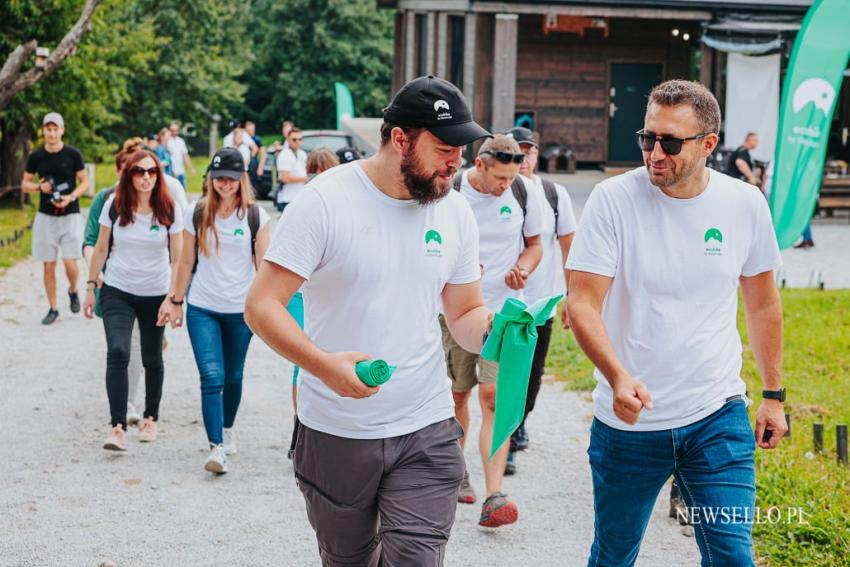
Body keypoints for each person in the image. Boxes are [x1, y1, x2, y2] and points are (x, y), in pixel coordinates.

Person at [245, 75, 492, 565]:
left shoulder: (456, 211)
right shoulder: (324, 201)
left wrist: (497, 330)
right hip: (335, 431)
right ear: (400, 139)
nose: (455, 162)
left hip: (425, 422)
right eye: (444, 148)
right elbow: (262, 305)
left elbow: (463, 312)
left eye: (461, 150)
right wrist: (322, 365)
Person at [567, 80, 786, 566]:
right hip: (629, 423)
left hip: (716, 412)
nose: (655, 153)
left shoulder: (745, 204)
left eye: (670, 142)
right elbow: (581, 303)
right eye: (647, 139)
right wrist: (618, 376)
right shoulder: (612, 200)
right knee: (614, 554)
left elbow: (764, 304)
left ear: (708, 144)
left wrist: (773, 396)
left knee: (732, 555)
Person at [441, 134, 544, 526]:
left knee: (493, 398)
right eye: (499, 178)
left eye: (511, 178)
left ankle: (494, 495)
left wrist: (525, 269)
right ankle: (456, 472)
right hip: (455, 311)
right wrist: (461, 273)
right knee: (457, 397)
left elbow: (534, 245)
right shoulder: (452, 192)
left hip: (503, 314)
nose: (505, 186)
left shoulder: (522, 191)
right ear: (479, 165)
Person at [166, 148, 270, 474]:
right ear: (210, 179)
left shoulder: (256, 217)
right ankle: (216, 447)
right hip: (203, 306)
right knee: (211, 376)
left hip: (240, 309)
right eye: (219, 178)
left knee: (234, 375)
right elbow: (185, 261)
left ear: (242, 179)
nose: (224, 184)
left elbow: (264, 267)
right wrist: (175, 299)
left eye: (230, 179)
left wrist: (268, 308)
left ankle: (227, 426)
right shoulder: (195, 213)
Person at [82, 149, 184, 451]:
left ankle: (151, 417)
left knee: (152, 356)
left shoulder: (169, 208)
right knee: (118, 350)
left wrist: (174, 298)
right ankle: (117, 426)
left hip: (155, 292)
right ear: (129, 175)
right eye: (139, 171)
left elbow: (178, 258)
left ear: (158, 175)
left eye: (151, 172)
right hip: (117, 289)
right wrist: (90, 286)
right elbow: (100, 248)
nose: (145, 177)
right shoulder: (114, 205)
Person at [503, 126, 577, 475]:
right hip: (504, 302)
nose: (523, 157)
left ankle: (519, 421)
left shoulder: (553, 193)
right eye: (516, 150)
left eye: (529, 151)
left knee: (533, 374)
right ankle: (510, 437)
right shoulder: (497, 191)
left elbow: (568, 246)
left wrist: (572, 296)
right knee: (505, 373)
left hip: (542, 300)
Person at [82, 137, 148, 426]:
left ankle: (130, 401)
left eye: (141, 170)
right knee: (123, 345)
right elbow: (90, 242)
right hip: (115, 285)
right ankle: (127, 403)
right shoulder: (106, 201)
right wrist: (95, 274)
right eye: (128, 170)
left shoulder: (157, 201)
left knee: (138, 345)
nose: (134, 176)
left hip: (149, 287)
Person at [21, 112, 90, 325]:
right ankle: (53, 308)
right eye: (48, 129)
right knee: (48, 265)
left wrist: (71, 197)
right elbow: (25, 184)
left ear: (62, 130)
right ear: (44, 131)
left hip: (70, 214)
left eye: (55, 129)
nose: (51, 133)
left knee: (70, 262)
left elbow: (85, 182)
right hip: (46, 216)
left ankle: (72, 289)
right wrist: (38, 187)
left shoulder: (73, 154)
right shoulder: (36, 156)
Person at [274, 127, 308, 212]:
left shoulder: (302, 154)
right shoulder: (284, 155)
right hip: (288, 199)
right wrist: (305, 179)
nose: (298, 142)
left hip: (300, 197)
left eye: (300, 139)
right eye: (294, 139)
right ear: (288, 140)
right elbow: (285, 178)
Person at [166, 121, 196, 188]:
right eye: (172, 130)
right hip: (171, 171)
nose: (174, 132)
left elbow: (185, 155)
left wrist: (191, 168)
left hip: (181, 170)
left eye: (176, 130)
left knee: (183, 191)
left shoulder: (180, 141)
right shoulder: (166, 141)